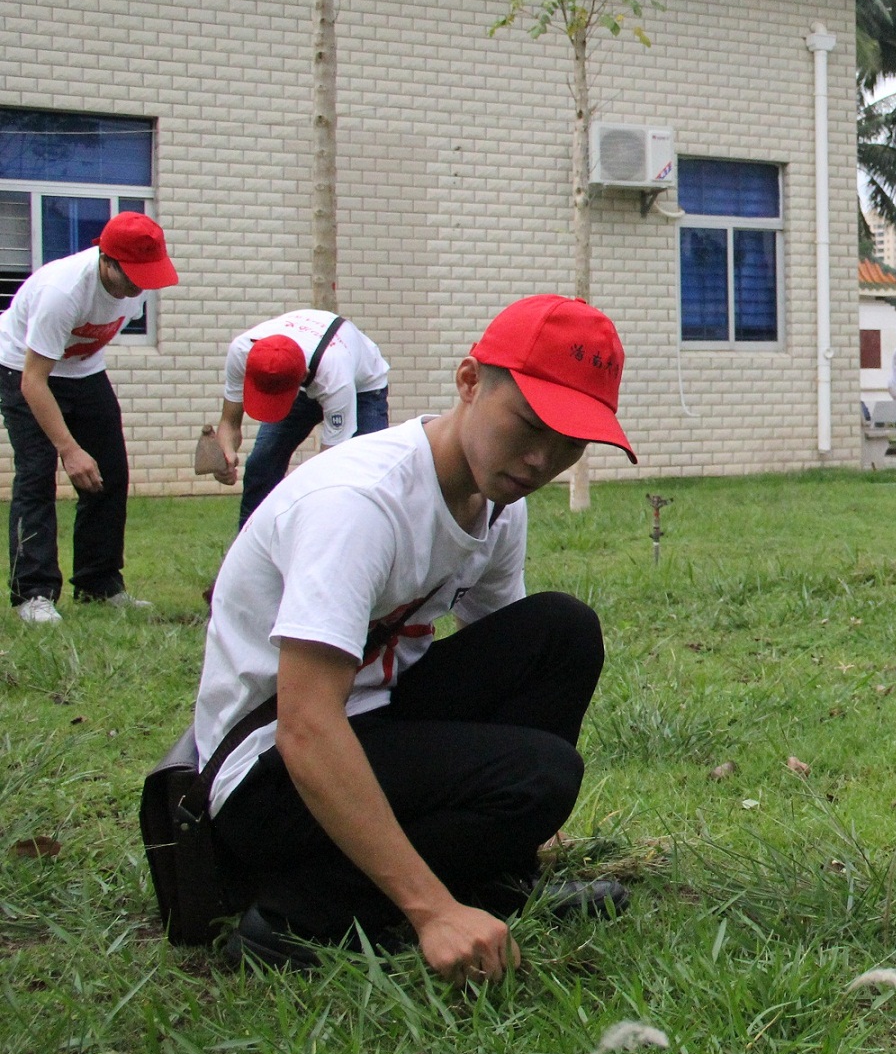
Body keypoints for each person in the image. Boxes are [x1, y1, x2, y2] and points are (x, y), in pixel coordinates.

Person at [192, 295, 636, 980]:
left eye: (570, 442)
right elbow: (305, 727)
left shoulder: (495, 500)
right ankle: (293, 916)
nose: (541, 459)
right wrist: (430, 909)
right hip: (264, 775)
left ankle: (493, 885)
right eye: (528, 423)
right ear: (468, 381)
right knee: (540, 775)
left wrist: (505, 822)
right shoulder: (359, 506)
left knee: (560, 632)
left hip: (368, 716)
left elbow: (511, 667)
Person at [0, 211, 178, 624]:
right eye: (131, 274)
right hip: (22, 369)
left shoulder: (140, 284)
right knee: (37, 475)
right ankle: (33, 593)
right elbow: (33, 381)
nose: (140, 284)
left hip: (83, 370)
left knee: (109, 473)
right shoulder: (61, 292)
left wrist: (85, 450)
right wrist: (69, 449)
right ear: (106, 260)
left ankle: (99, 583)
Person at [214, 309, 393, 526]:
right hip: (303, 373)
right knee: (262, 463)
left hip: (363, 387)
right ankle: (248, 544)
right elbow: (229, 423)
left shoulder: (336, 378)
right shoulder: (242, 351)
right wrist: (225, 455)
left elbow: (332, 465)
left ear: (304, 376)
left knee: (366, 476)